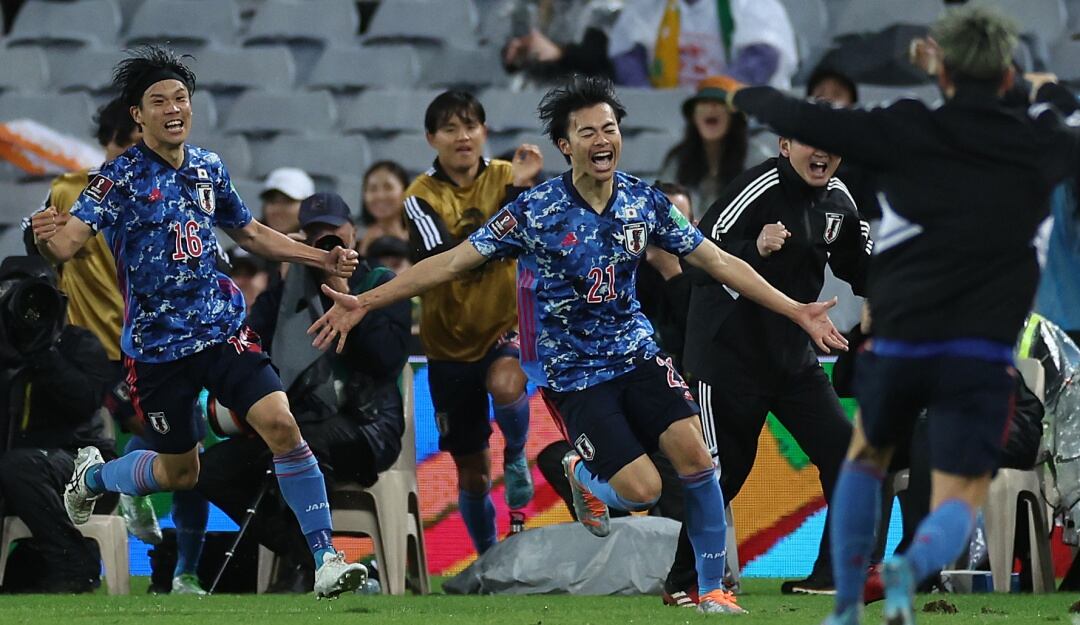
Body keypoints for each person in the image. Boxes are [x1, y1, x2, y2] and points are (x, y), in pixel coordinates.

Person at [308, 75, 848, 615]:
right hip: (575, 375)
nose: (600, 140)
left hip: (638, 355)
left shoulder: (645, 201)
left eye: (608, 128)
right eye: (586, 132)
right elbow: (450, 263)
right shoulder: (535, 212)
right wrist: (367, 301)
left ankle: (710, 590)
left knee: (699, 462)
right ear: (566, 147)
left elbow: (720, 261)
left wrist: (796, 309)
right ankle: (580, 473)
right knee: (642, 492)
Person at [711, 7, 1080, 623]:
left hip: (905, 343)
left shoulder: (907, 128)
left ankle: (849, 602)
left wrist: (746, 91)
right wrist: (1032, 95)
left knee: (864, 461)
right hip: (981, 353)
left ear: (946, 72)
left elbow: (802, 117)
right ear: (1009, 71)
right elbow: (1052, 108)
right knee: (960, 496)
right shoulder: (1040, 141)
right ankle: (915, 562)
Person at [29, 44, 367, 599]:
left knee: (281, 425)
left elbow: (251, 233)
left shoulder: (209, 167)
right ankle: (94, 476)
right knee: (181, 472)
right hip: (158, 351)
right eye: (158, 100)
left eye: (181, 97)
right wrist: (48, 235)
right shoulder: (116, 180)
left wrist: (321, 258)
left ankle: (325, 557)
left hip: (221, 331)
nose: (172, 108)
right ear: (137, 116)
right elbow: (68, 243)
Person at [664, 134, 872, 603]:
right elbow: (693, 262)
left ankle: (830, 575)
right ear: (783, 146)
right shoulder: (755, 188)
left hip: (792, 360)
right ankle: (684, 581)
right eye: (809, 142)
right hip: (728, 359)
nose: (822, 152)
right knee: (722, 474)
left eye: (831, 144)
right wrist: (752, 246)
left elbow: (863, 267)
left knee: (847, 458)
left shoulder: (839, 201)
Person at [22, 96, 211, 595]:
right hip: (93, 349)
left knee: (180, 445)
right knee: (158, 442)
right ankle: (152, 541)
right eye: (126, 143)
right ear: (112, 140)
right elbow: (40, 250)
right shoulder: (70, 191)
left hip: (155, 342)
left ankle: (168, 552)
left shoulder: (162, 189)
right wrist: (38, 235)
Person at [199, 192, 410, 592]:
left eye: (335, 232)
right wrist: (286, 284)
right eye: (316, 235)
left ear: (354, 232)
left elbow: (387, 360)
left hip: (367, 425)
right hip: (296, 423)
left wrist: (348, 294)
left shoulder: (382, 284)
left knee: (299, 446)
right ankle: (303, 557)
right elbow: (250, 352)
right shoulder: (284, 292)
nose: (328, 241)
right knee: (210, 470)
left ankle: (302, 569)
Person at [401, 90, 544, 555]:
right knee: (473, 473)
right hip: (447, 347)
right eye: (449, 129)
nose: (462, 137)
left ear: (484, 131)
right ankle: (487, 556)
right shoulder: (420, 196)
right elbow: (447, 259)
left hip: (502, 330)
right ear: (430, 138)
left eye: (470, 126)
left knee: (507, 386)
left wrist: (518, 191)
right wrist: (513, 196)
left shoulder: (508, 176)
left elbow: (530, 235)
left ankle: (518, 452)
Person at [0, 256, 117, 593]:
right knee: (15, 465)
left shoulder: (79, 344)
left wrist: (43, 353)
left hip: (86, 467)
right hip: (21, 472)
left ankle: (73, 561)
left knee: (19, 465)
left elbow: (85, 401)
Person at [608, 0, 797, 89]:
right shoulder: (647, 7)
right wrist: (655, 102)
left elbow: (764, 56)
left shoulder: (751, 4)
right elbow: (628, 57)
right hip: (665, 121)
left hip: (741, 120)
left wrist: (715, 94)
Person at [659, 77, 749, 219]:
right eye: (704, 102)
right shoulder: (677, 160)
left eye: (720, 103)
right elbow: (661, 209)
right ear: (693, 116)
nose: (711, 107)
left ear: (735, 118)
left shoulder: (757, 161)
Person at [501, 0, 619, 84]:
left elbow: (607, 56)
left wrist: (560, 53)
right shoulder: (527, 8)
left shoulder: (603, 7)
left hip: (586, 96)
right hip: (535, 96)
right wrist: (515, 53)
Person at [357, 160, 409, 258]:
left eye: (388, 187)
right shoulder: (355, 241)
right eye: (372, 189)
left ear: (405, 192)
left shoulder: (423, 241)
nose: (380, 196)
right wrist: (362, 252)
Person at [260, 167, 315, 236]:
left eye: (288, 201)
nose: (277, 209)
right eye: (272, 201)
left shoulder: (322, 243)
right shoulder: (245, 239)